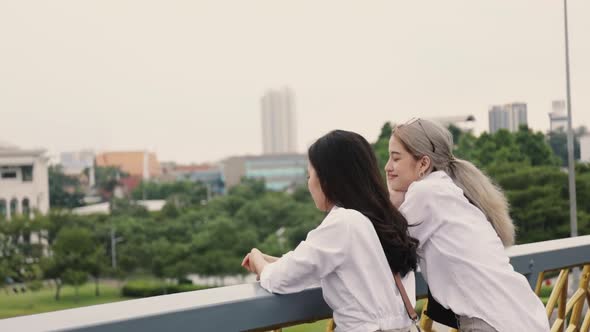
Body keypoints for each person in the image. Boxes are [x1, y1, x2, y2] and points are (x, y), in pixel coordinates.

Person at [242, 130, 420, 332]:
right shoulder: (385, 219)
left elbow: (280, 279)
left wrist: (258, 260)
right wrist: (275, 261)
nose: (309, 183)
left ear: (327, 179)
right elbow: (342, 268)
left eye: (310, 175)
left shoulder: (343, 223)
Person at [385, 118, 549, 332]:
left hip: (491, 323)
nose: (388, 167)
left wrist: (392, 199)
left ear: (423, 164)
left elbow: (385, 247)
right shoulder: (449, 191)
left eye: (395, 158)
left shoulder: (426, 193)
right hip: (522, 317)